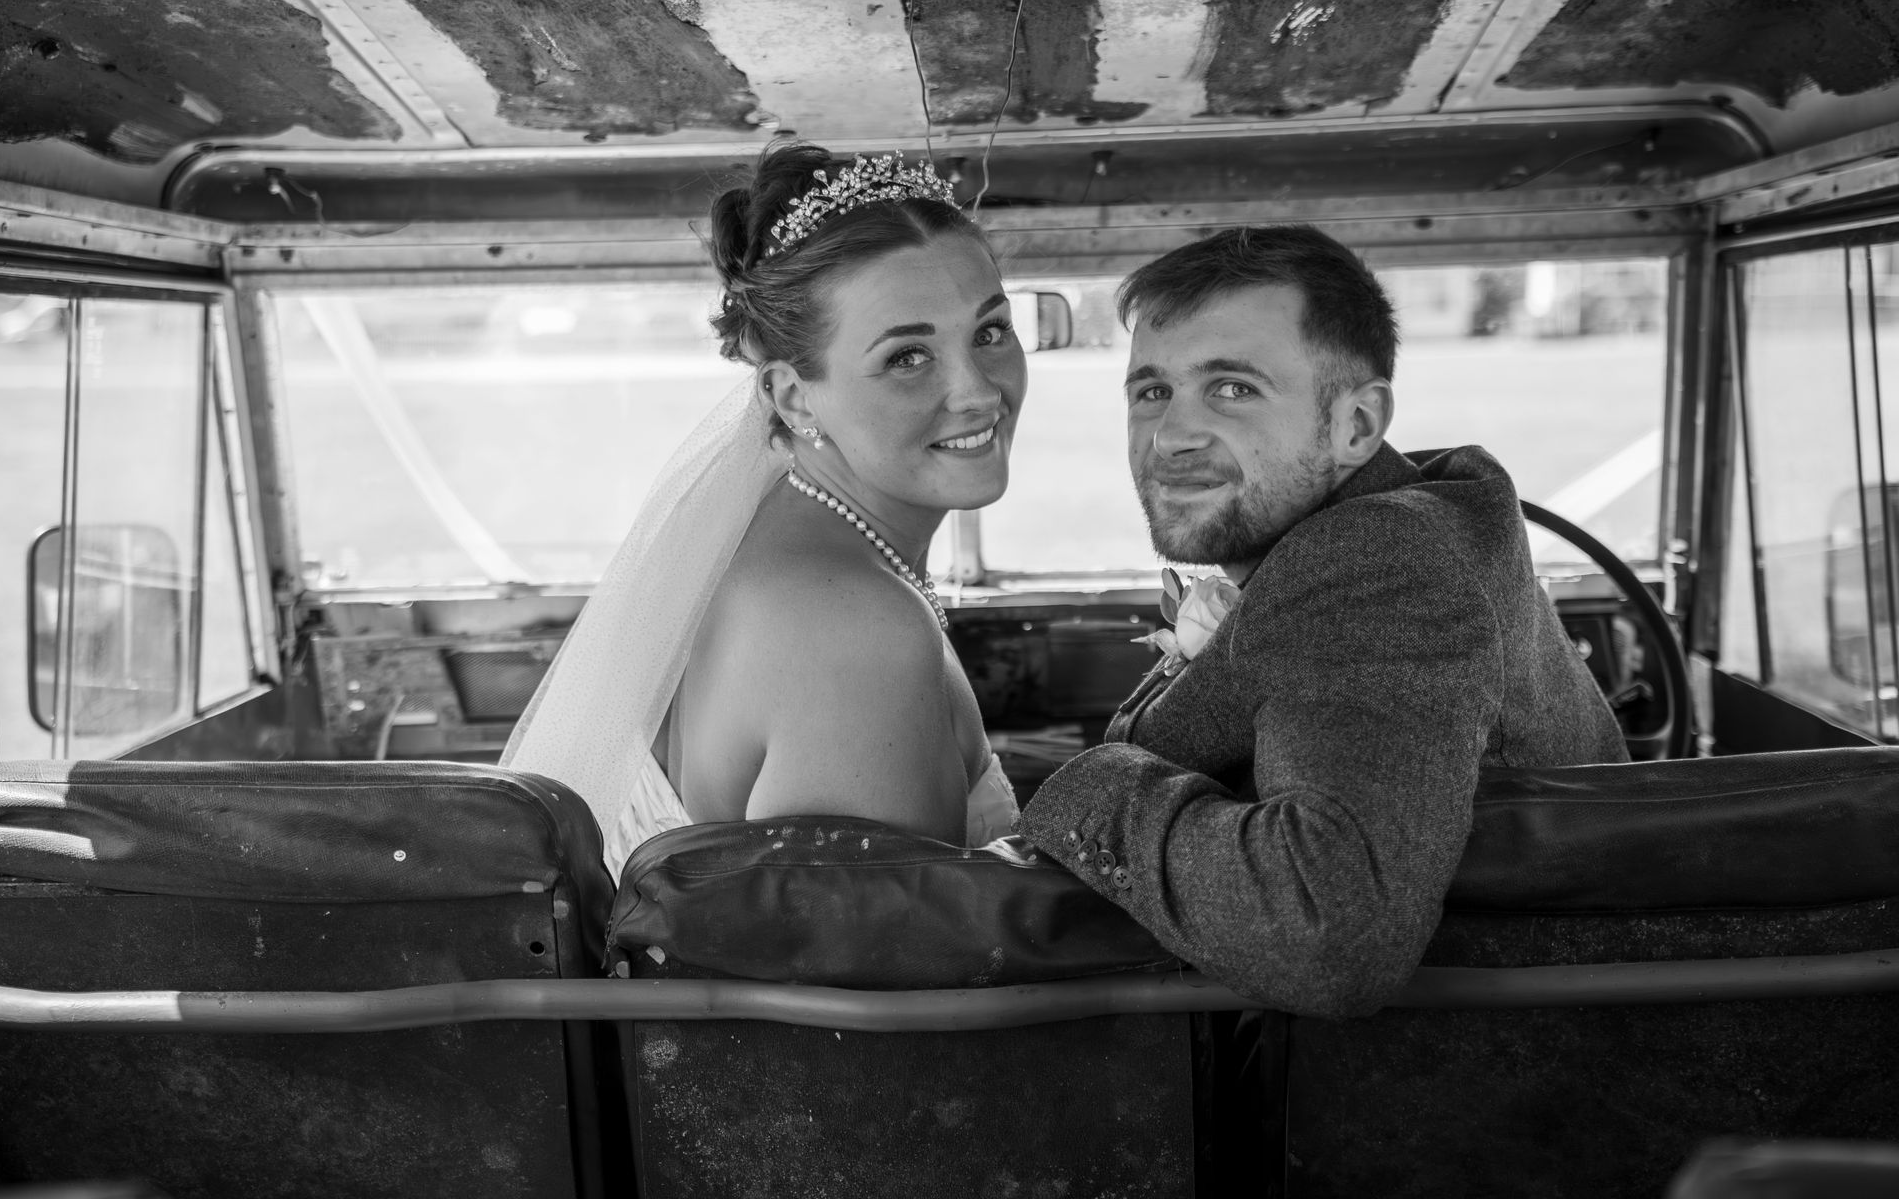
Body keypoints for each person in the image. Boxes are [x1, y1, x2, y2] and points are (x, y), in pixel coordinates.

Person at [1019, 225, 1629, 1019]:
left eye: (1233, 388)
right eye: (1152, 391)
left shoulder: (1376, 558)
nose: (1171, 436)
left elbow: (1325, 932)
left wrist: (1088, 787)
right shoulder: (1397, 525)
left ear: (1357, 426)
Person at [503, 144, 1027, 878]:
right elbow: (886, 982)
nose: (979, 391)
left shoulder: (790, 549)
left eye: (991, 331)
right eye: (908, 356)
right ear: (791, 396)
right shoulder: (850, 630)